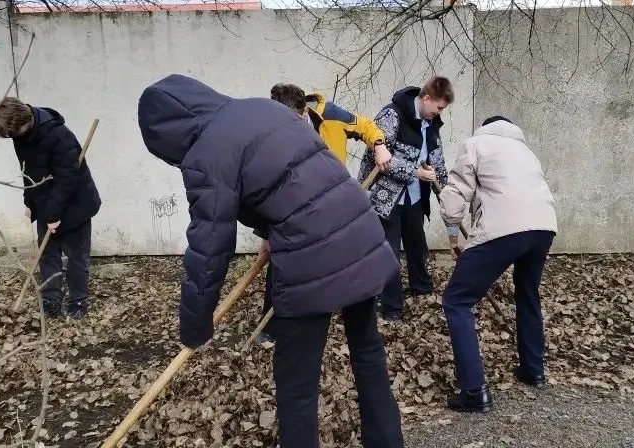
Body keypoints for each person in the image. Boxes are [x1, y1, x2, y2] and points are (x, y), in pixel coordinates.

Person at [137, 74, 404, 448]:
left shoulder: (206, 153)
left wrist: (195, 326)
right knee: (368, 353)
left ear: (167, 138)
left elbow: (210, 245)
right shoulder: (264, 109)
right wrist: (269, 231)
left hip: (312, 256)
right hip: (360, 231)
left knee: (296, 381)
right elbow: (296, 175)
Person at [249, 83, 393, 343]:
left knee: (345, 261)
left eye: (292, 120)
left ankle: (349, 317)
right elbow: (269, 185)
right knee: (281, 264)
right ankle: (270, 326)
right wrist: (265, 234)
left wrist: (380, 145)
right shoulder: (273, 132)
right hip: (294, 211)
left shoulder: (332, 116)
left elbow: (365, 125)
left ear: (304, 112)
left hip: (333, 206)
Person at [437, 116, 558, 413]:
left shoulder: (476, 143)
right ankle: (534, 370)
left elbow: (456, 193)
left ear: (484, 127)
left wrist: (453, 234)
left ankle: (474, 391)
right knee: (527, 293)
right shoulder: (526, 151)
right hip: (543, 228)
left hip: (504, 228)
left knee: (456, 300)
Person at [0, 97, 101, 319]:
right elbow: (28, 171)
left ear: (25, 121)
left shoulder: (60, 136)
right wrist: (29, 202)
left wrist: (53, 215)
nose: (13, 138)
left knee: (76, 257)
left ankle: (78, 300)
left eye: (14, 134)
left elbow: (67, 180)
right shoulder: (20, 135)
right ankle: (51, 300)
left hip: (76, 205)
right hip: (47, 204)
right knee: (48, 256)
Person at [357, 75, 454, 322]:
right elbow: (381, 159)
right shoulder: (392, 115)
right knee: (389, 253)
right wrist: (415, 172)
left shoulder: (431, 123)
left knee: (417, 246)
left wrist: (443, 186)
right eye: (439, 107)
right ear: (427, 98)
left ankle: (422, 292)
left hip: (413, 196)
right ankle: (391, 308)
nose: (440, 113)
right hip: (384, 196)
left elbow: (437, 157)